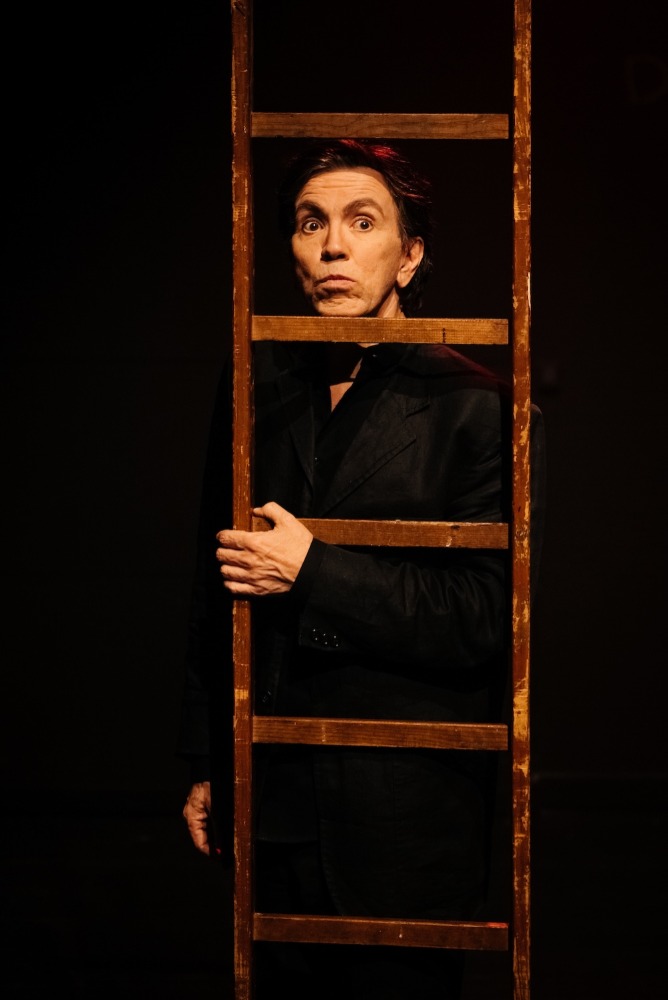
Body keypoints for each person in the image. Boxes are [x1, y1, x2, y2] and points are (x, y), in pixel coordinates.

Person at [178, 139, 545, 999]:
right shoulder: (259, 379)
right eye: (311, 224)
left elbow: (484, 616)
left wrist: (314, 570)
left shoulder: (474, 402)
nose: (333, 246)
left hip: (403, 814)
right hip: (274, 799)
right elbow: (210, 581)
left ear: (409, 257)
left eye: (361, 221)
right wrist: (207, 758)